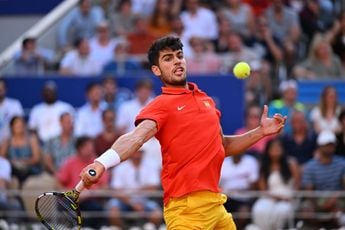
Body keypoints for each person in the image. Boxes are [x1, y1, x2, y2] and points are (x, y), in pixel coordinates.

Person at [79, 36, 286, 229]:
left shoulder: (206, 100)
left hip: (216, 205)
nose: (177, 61)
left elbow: (222, 146)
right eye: (168, 59)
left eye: (179, 56)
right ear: (156, 70)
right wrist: (101, 163)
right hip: (186, 210)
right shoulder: (161, 105)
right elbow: (135, 137)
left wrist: (260, 132)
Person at [251, 138, 300, 230]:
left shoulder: (291, 164)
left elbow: (297, 184)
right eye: (273, 148)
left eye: (278, 147)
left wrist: (291, 197)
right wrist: (275, 197)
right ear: (268, 150)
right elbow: (263, 189)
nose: (276, 150)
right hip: (269, 197)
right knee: (259, 209)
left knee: (281, 211)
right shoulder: (264, 166)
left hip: (287, 197)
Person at [299, 130, 345, 228]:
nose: (329, 147)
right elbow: (308, 192)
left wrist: (334, 199)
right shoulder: (310, 166)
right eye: (326, 144)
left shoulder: (342, 163)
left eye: (331, 144)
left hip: (337, 198)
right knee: (306, 211)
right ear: (319, 146)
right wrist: (318, 206)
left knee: (339, 212)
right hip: (316, 198)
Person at [106, 148, 162, 228]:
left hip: (144, 199)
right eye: (135, 152)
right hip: (124, 200)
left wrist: (138, 196)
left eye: (139, 153)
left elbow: (154, 186)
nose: (137, 155)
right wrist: (132, 202)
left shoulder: (151, 166)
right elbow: (117, 190)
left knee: (157, 214)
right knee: (113, 212)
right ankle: (123, 228)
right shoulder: (120, 168)